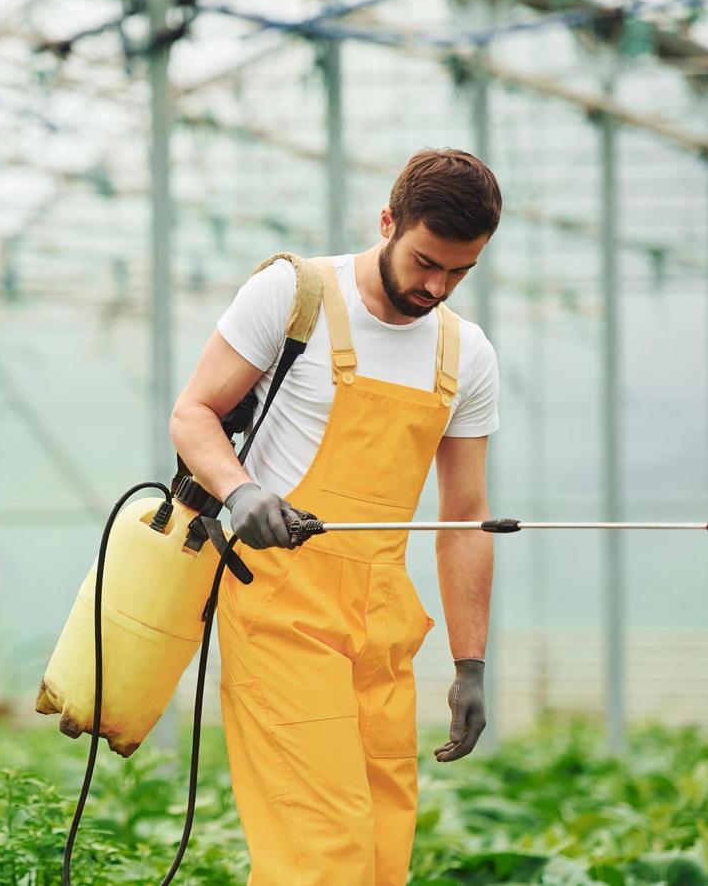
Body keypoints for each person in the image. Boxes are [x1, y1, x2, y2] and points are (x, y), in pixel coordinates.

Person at [169, 148, 502, 885]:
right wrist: (240, 491)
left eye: (459, 272)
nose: (436, 287)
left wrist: (471, 663)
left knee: (384, 860)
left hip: (382, 620)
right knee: (322, 856)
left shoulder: (465, 353)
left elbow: (466, 518)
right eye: (424, 262)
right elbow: (194, 414)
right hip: (280, 607)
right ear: (387, 222)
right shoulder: (294, 295)